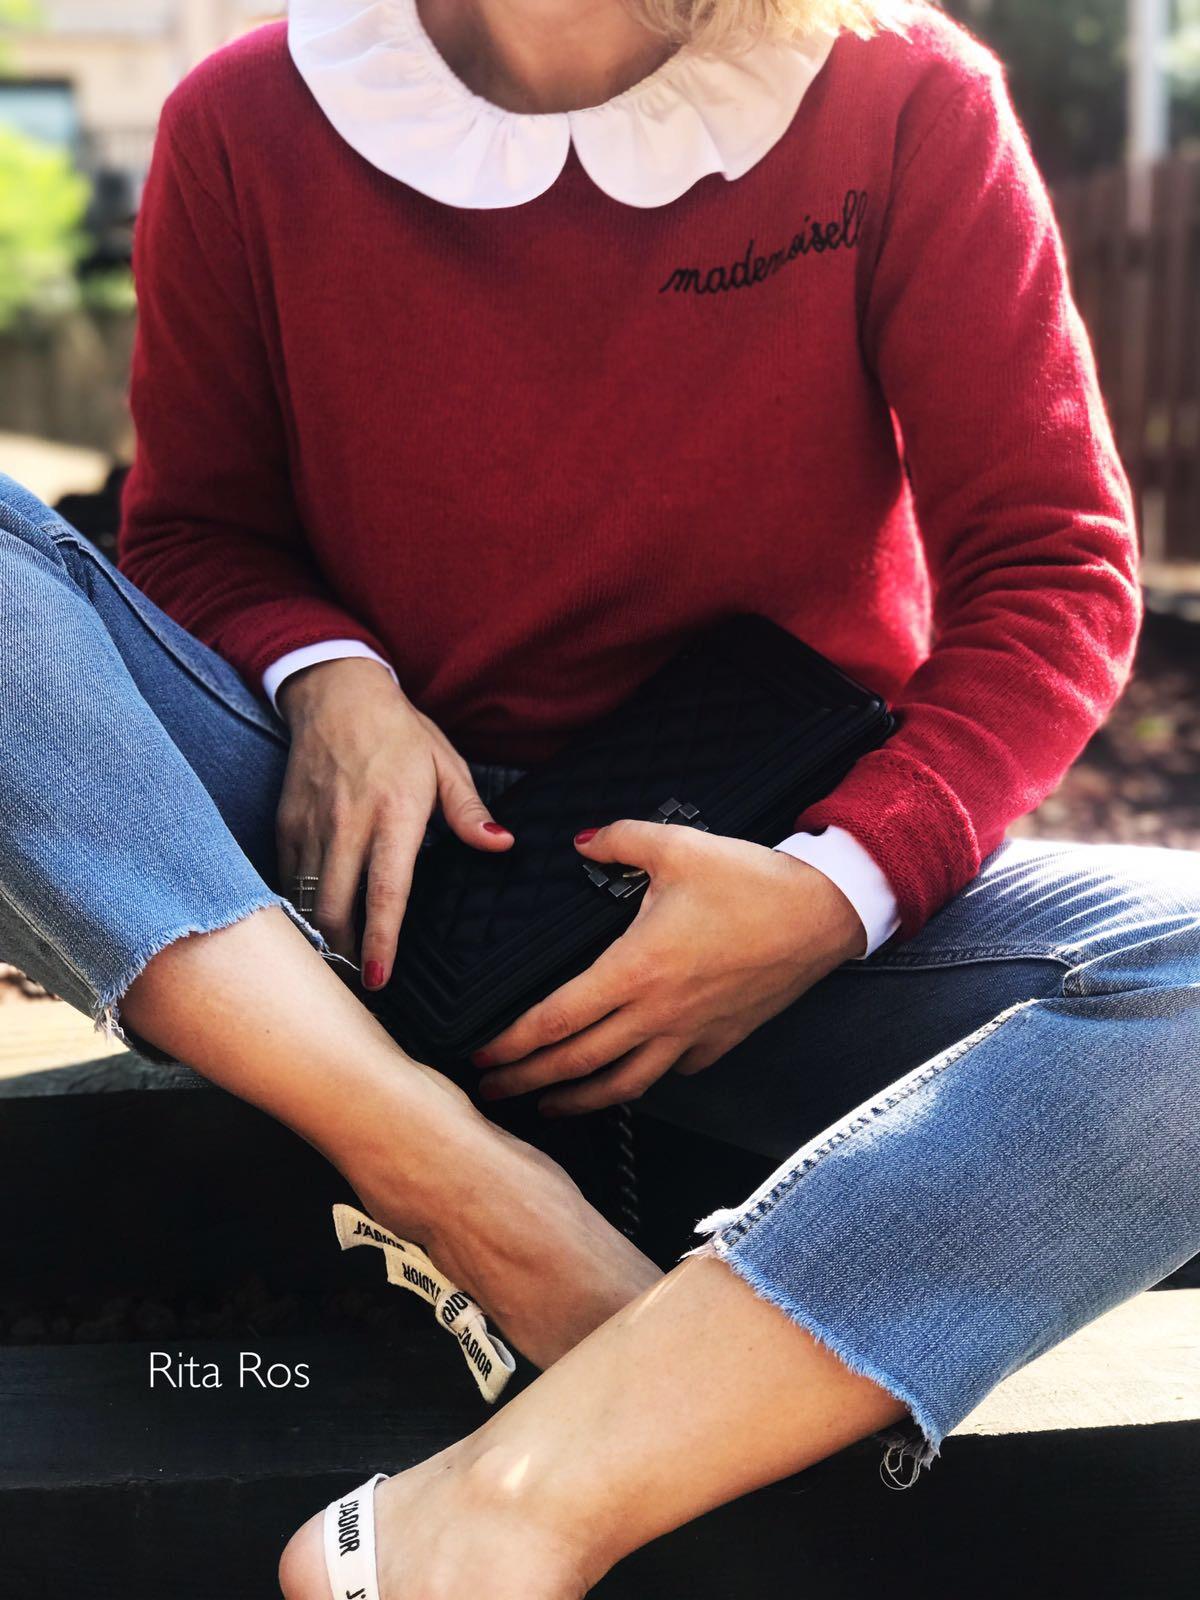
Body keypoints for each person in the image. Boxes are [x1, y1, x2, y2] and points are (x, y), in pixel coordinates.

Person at [0, 1, 1196, 1595]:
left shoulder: (905, 99)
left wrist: (831, 891)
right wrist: (330, 676)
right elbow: (197, 532)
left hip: (756, 905)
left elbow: (1056, 572)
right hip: (323, 880)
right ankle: (453, 1181)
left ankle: (522, 1497)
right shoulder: (248, 116)